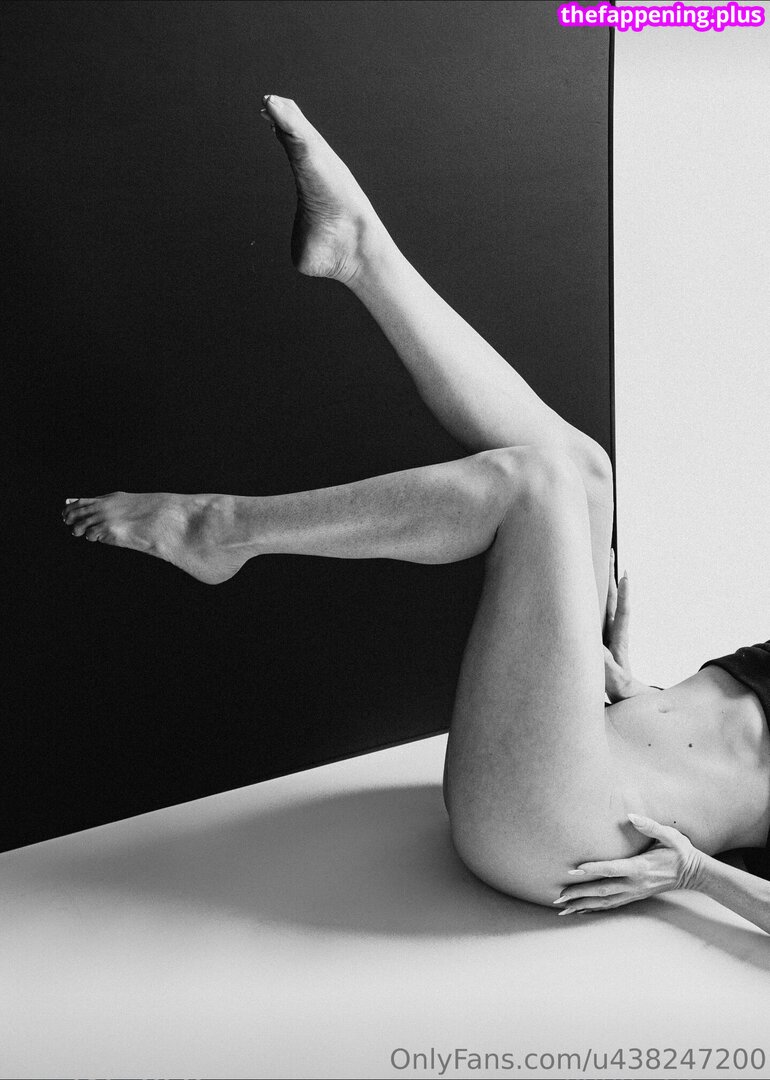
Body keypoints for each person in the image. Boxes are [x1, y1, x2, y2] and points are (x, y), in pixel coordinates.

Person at [61, 95, 770, 934]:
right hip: (571, 742)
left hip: (572, 831)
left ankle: (221, 531)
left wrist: (692, 871)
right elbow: (727, 743)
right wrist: (625, 680)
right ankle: (357, 252)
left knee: (535, 484)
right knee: (583, 472)